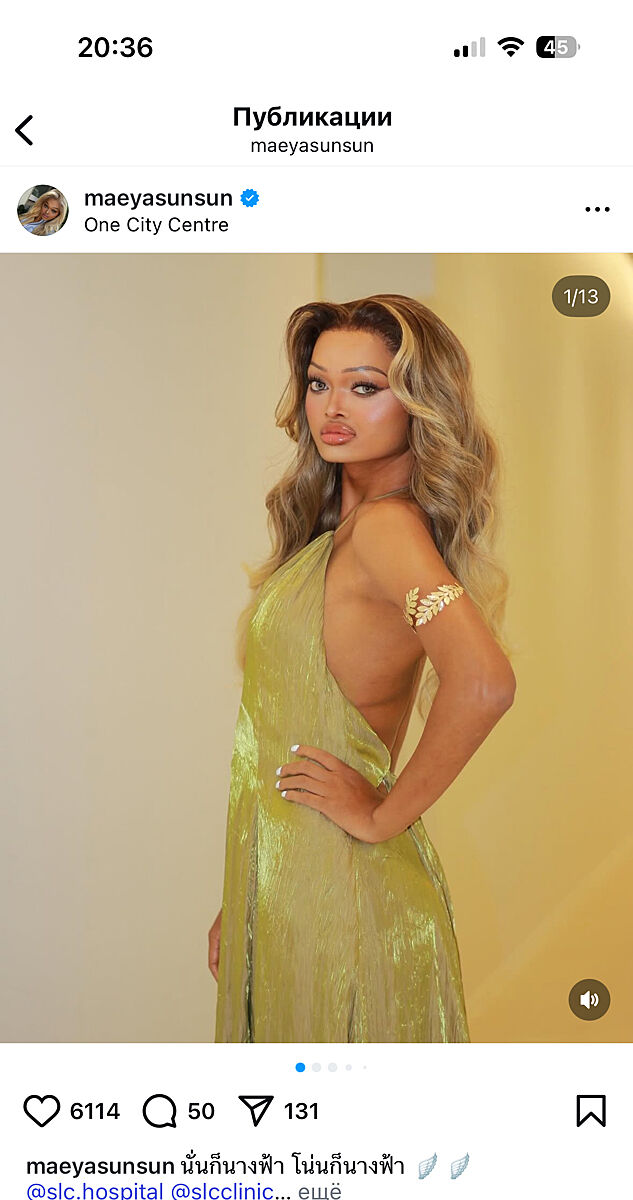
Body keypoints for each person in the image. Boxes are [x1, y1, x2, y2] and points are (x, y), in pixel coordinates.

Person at [209, 293, 516, 1042]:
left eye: (365, 386)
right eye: (319, 383)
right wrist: (247, 892)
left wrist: (380, 814)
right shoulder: (343, 531)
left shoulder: (385, 530)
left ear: (419, 403)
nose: (332, 407)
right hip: (294, 881)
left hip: (341, 893)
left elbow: (484, 682)